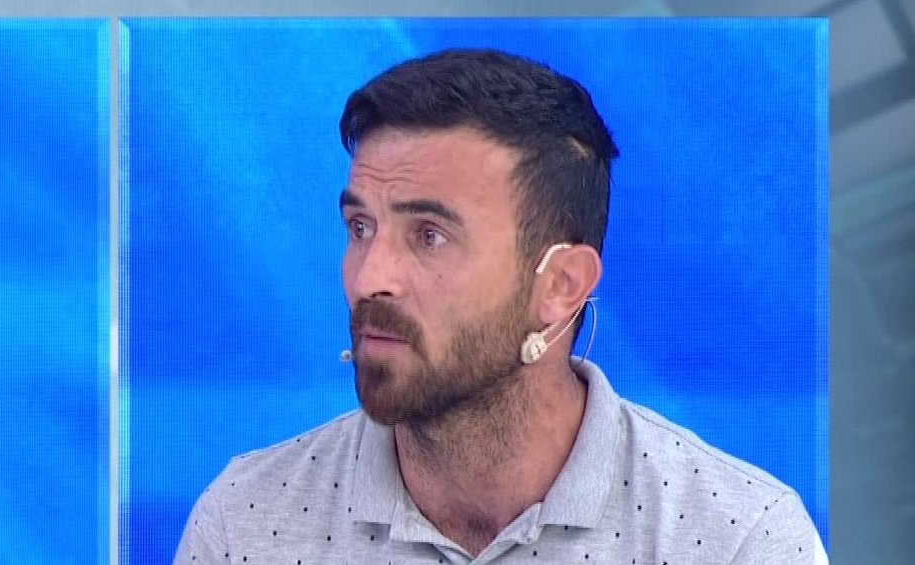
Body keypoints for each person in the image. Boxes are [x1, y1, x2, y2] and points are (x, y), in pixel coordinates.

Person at [174, 49, 826, 564]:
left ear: (562, 284)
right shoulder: (244, 523)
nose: (370, 278)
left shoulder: (740, 541)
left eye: (429, 235)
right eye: (361, 227)